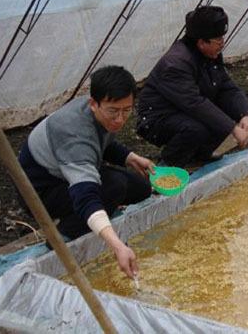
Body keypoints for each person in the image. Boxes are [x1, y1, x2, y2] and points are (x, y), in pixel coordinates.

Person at [18, 66, 154, 279]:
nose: (120, 119)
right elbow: (85, 195)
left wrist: (130, 157)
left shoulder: (97, 115)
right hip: (41, 190)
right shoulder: (74, 135)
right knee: (113, 186)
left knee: (142, 188)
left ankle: (101, 217)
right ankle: (62, 235)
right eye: (113, 111)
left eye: (126, 110)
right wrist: (117, 246)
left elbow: (103, 142)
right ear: (94, 104)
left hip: (67, 170)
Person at [136, 5, 248, 167]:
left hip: (182, 109)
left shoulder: (210, 54)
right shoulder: (175, 64)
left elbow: (226, 86)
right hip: (157, 117)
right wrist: (233, 129)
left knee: (225, 112)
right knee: (197, 128)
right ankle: (169, 165)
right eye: (218, 40)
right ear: (201, 42)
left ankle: (200, 154)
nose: (222, 44)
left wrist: (244, 114)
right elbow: (194, 103)